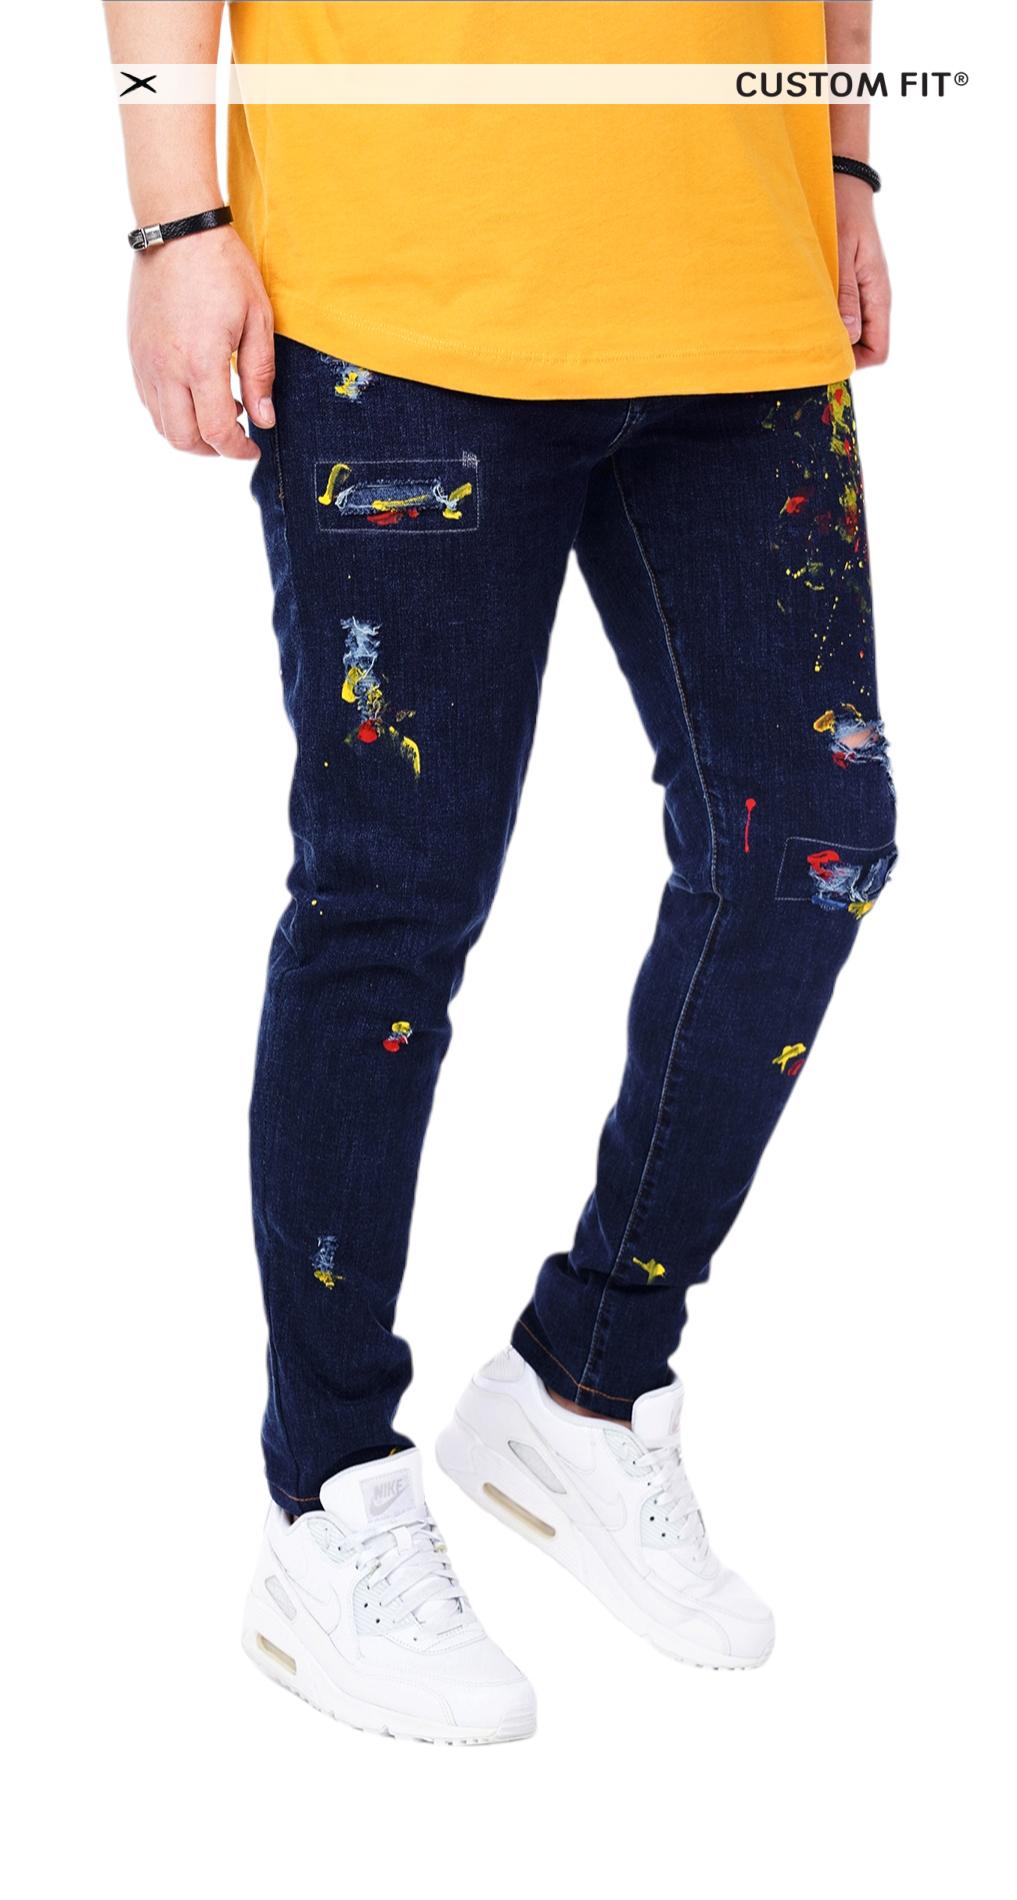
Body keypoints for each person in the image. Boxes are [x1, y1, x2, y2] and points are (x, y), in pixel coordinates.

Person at [107, 1, 893, 1743]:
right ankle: (327, 1492)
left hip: (740, 288)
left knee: (812, 848)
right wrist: (173, 222)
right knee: (391, 904)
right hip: (405, 293)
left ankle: (586, 1381)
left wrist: (845, 160)